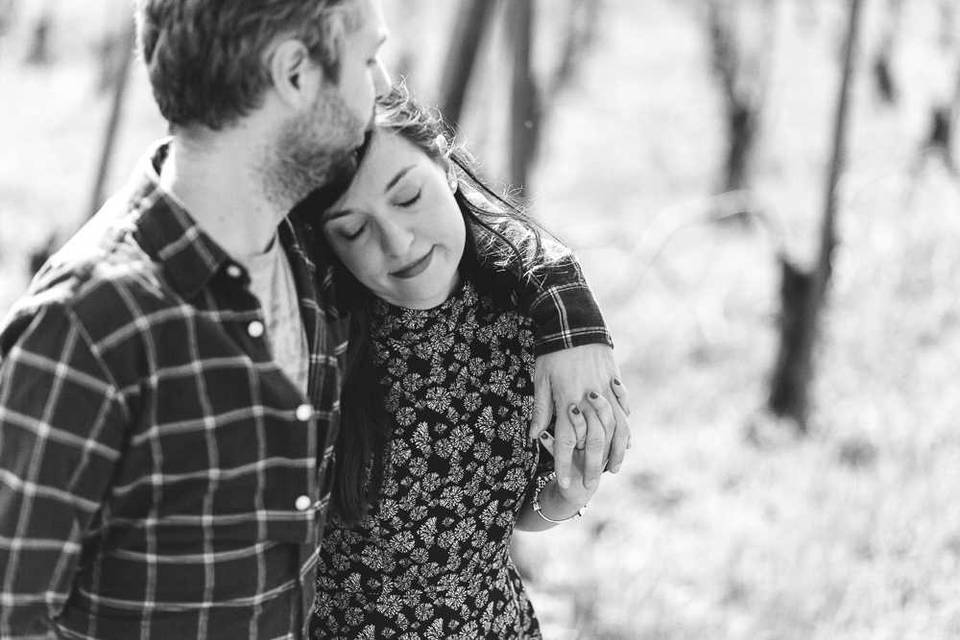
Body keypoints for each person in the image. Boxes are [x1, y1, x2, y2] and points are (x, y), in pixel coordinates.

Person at [0, 1, 628, 638]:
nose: (384, 86)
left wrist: (570, 316)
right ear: (296, 73)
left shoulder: (307, 268)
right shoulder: (87, 326)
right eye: (367, 58)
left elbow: (479, 238)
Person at [307, 88, 624, 639]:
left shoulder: (526, 316)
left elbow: (504, 522)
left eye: (407, 197)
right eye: (355, 229)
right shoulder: (323, 340)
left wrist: (566, 495)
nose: (398, 241)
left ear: (445, 166)